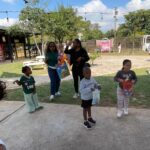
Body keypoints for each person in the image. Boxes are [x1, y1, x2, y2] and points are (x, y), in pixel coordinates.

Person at [79, 65, 100, 129]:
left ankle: (90, 118)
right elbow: (81, 91)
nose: (89, 74)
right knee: (85, 109)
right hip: (85, 98)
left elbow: (96, 84)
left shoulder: (92, 79)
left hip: (91, 97)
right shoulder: (82, 82)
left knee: (89, 107)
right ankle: (85, 121)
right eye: (87, 73)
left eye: (90, 73)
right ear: (83, 74)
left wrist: (98, 86)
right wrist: (90, 89)